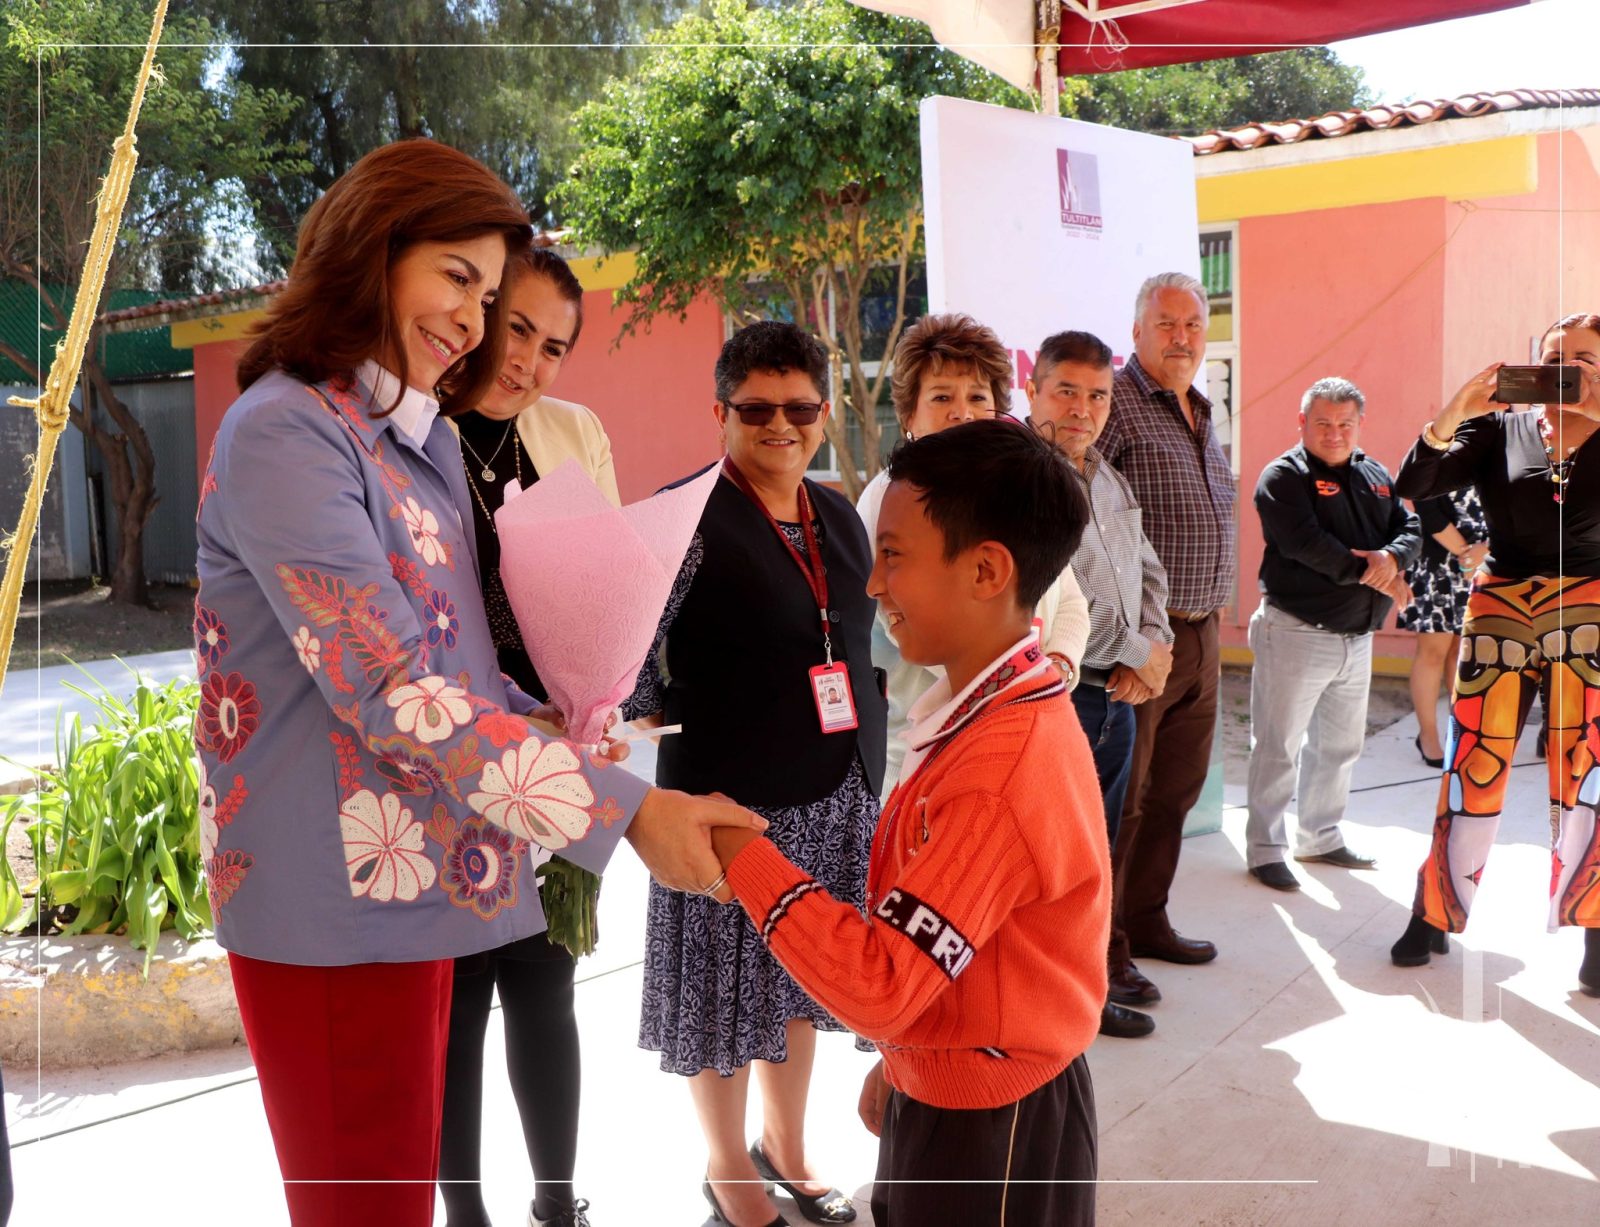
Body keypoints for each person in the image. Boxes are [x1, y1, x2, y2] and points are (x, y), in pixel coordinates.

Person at [195, 138, 760, 1227]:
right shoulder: (286, 433)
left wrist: (552, 726)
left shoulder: (419, 444)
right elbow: (394, 691)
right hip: (330, 916)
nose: (470, 316)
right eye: (456, 276)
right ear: (373, 249)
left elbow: (457, 672)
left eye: (487, 293)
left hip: (425, 894)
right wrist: (625, 814)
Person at [702, 418, 1107, 1227]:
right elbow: (949, 952)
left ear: (987, 568)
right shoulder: (992, 706)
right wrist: (911, 1059)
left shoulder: (999, 768)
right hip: (966, 1081)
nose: (874, 585)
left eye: (894, 555)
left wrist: (740, 852)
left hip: (992, 1121)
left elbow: (881, 982)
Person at [624, 321, 885, 1227]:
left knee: (805, 981)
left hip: (836, 788)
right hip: (728, 804)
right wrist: (644, 702)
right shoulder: (685, 513)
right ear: (721, 412)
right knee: (720, 995)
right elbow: (624, 647)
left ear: (825, 410)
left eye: (800, 407)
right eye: (757, 409)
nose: (782, 424)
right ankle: (729, 1166)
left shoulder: (839, 513)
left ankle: (789, 1146)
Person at [437, 248, 612, 1227]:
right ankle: (465, 1215)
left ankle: (557, 1204)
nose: (531, 363)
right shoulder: (414, 435)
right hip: (454, 754)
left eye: (555, 347)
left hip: (562, 748)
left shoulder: (572, 431)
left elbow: (610, 589)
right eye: (519, 331)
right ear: (481, 312)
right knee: (458, 1004)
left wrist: (603, 709)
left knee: (548, 984)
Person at [1389, 313, 1600, 995]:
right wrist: (1456, 409)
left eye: (1586, 359)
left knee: (1586, 769)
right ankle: (1434, 911)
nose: (1570, 368)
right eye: (1556, 357)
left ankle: (1595, 929)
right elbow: (1413, 486)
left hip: (1591, 604)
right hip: (1502, 601)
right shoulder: (1499, 428)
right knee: (1471, 761)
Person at [855, 313, 1089, 794]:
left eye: (977, 397)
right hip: (928, 746)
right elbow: (918, 622)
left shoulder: (1017, 493)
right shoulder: (888, 501)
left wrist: (1060, 664)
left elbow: (1068, 598)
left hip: (1023, 723)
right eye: (942, 397)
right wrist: (1024, 683)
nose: (961, 412)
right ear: (909, 417)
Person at [1095, 271, 1235, 1010]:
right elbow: (1092, 515)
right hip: (1147, 643)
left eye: (1193, 325)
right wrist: (1130, 639)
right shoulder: (1117, 403)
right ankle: (1106, 949)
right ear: (1138, 332)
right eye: (1167, 324)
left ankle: (1147, 920)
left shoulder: (1201, 409)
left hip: (1203, 637)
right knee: (1128, 803)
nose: (1181, 337)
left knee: (1176, 792)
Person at [1026, 329, 1172, 1039]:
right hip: (1062, 694)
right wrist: (1144, 651)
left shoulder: (1108, 474)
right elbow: (1062, 597)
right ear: (1032, 389)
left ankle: (1092, 982)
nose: (1083, 408)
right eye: (1066, 391)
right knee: (1055, 860)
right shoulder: (1022, 479)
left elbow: (1147, 567)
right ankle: (1058, 999)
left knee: (1100, 851)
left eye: (1098, 395)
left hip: (1119, 694)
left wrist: (1158, 645)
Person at [1245, 378, 1421, 891]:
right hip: (1296, 632)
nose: (1335, 433)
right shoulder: (1283, 477)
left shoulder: (1373, 473)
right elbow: (1306, 545)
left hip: (1357, 636)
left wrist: (1390, 559)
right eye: (1323, 423)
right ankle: (1265, 848)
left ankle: (1319, 837)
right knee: (1279, 746)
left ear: (1359, 425)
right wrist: (1377, 573)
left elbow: (1407, 529)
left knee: (1339, 748)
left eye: (1345, 424)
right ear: (1302, 423)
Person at [1398, 487, 1489, 767]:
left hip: (1483, 565)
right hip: (1438, 566)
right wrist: (1468, 555)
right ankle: (1428, 737)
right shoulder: (1433, 453)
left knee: (1461, 654)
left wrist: (1485, 551)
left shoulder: (1498, 451)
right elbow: (1428, 509)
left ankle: (1461, 734)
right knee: (1433, 652)